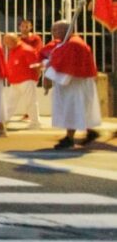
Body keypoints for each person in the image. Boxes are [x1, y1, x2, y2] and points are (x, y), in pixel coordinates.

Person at [42, 20, 103, 149]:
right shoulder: (68, 42)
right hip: (77, 82)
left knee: (72, 109)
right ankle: (89, 131)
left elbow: (66, 65)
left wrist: (49, 76)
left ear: (65, 30)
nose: (53, 33)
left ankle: (69, 138)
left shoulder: (73, 44)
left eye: (56, 30)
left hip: (75, 83)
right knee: (80, 109)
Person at [3, 33, 42, 129]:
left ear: (15, 40)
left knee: (30, 102)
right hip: (16, 80)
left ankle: (35, 123)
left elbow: (36, 66)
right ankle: (4, 121)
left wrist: (35, 79)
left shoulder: (26, 50)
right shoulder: (14, 49)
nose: (6, 44)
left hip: (27, 80)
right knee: (10, 102)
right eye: (5, 42)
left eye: (8, 42)